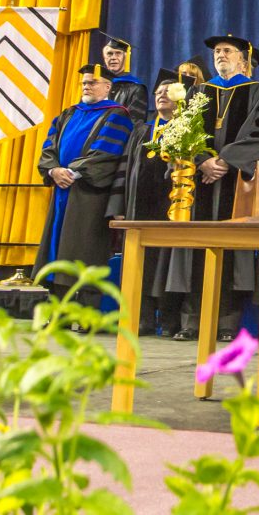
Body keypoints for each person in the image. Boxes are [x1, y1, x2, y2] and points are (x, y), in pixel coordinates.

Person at [159, 34, 259, 341]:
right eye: (217, 52)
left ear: (242, 59)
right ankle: (191, 321)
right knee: (196, 249)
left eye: (227, 51)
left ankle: (226, 322)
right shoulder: (199, 92)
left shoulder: (257, 92)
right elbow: (182, 134)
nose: (220, 55)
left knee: (230, 250)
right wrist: (201, 162)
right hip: (201, 184)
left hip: (234, 183)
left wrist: (224, 161)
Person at [35, 64, 134, 303]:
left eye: (93, 82)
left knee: (86, 251)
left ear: (108, 87)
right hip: (62, 191)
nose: (87, 86)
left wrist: (72, 172)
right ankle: (58, 309)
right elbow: (49, 147)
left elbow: (106, 152)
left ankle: (87, 312)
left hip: (91, 193)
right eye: (85, 83)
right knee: (57, 249)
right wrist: (53, 170)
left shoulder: (117, 115)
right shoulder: (68, 113)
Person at [107, 69, 182, 335]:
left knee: (168, 265)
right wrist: (117, 208)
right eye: (158, 92)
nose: (161, 95)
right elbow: (123, 170)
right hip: (138, 208)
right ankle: (142, 318)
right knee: (139, 264)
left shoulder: (187, 130)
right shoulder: (142, 131)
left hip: (172, 209)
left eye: (168, 91)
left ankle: (170, 319)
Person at [101, 34, 148, 125]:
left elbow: (135, 124)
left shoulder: (136, 88)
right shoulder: (97, 85)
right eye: (109, 54)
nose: (113, 57)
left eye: (118, 53)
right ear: (104, 58)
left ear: (125, 57)